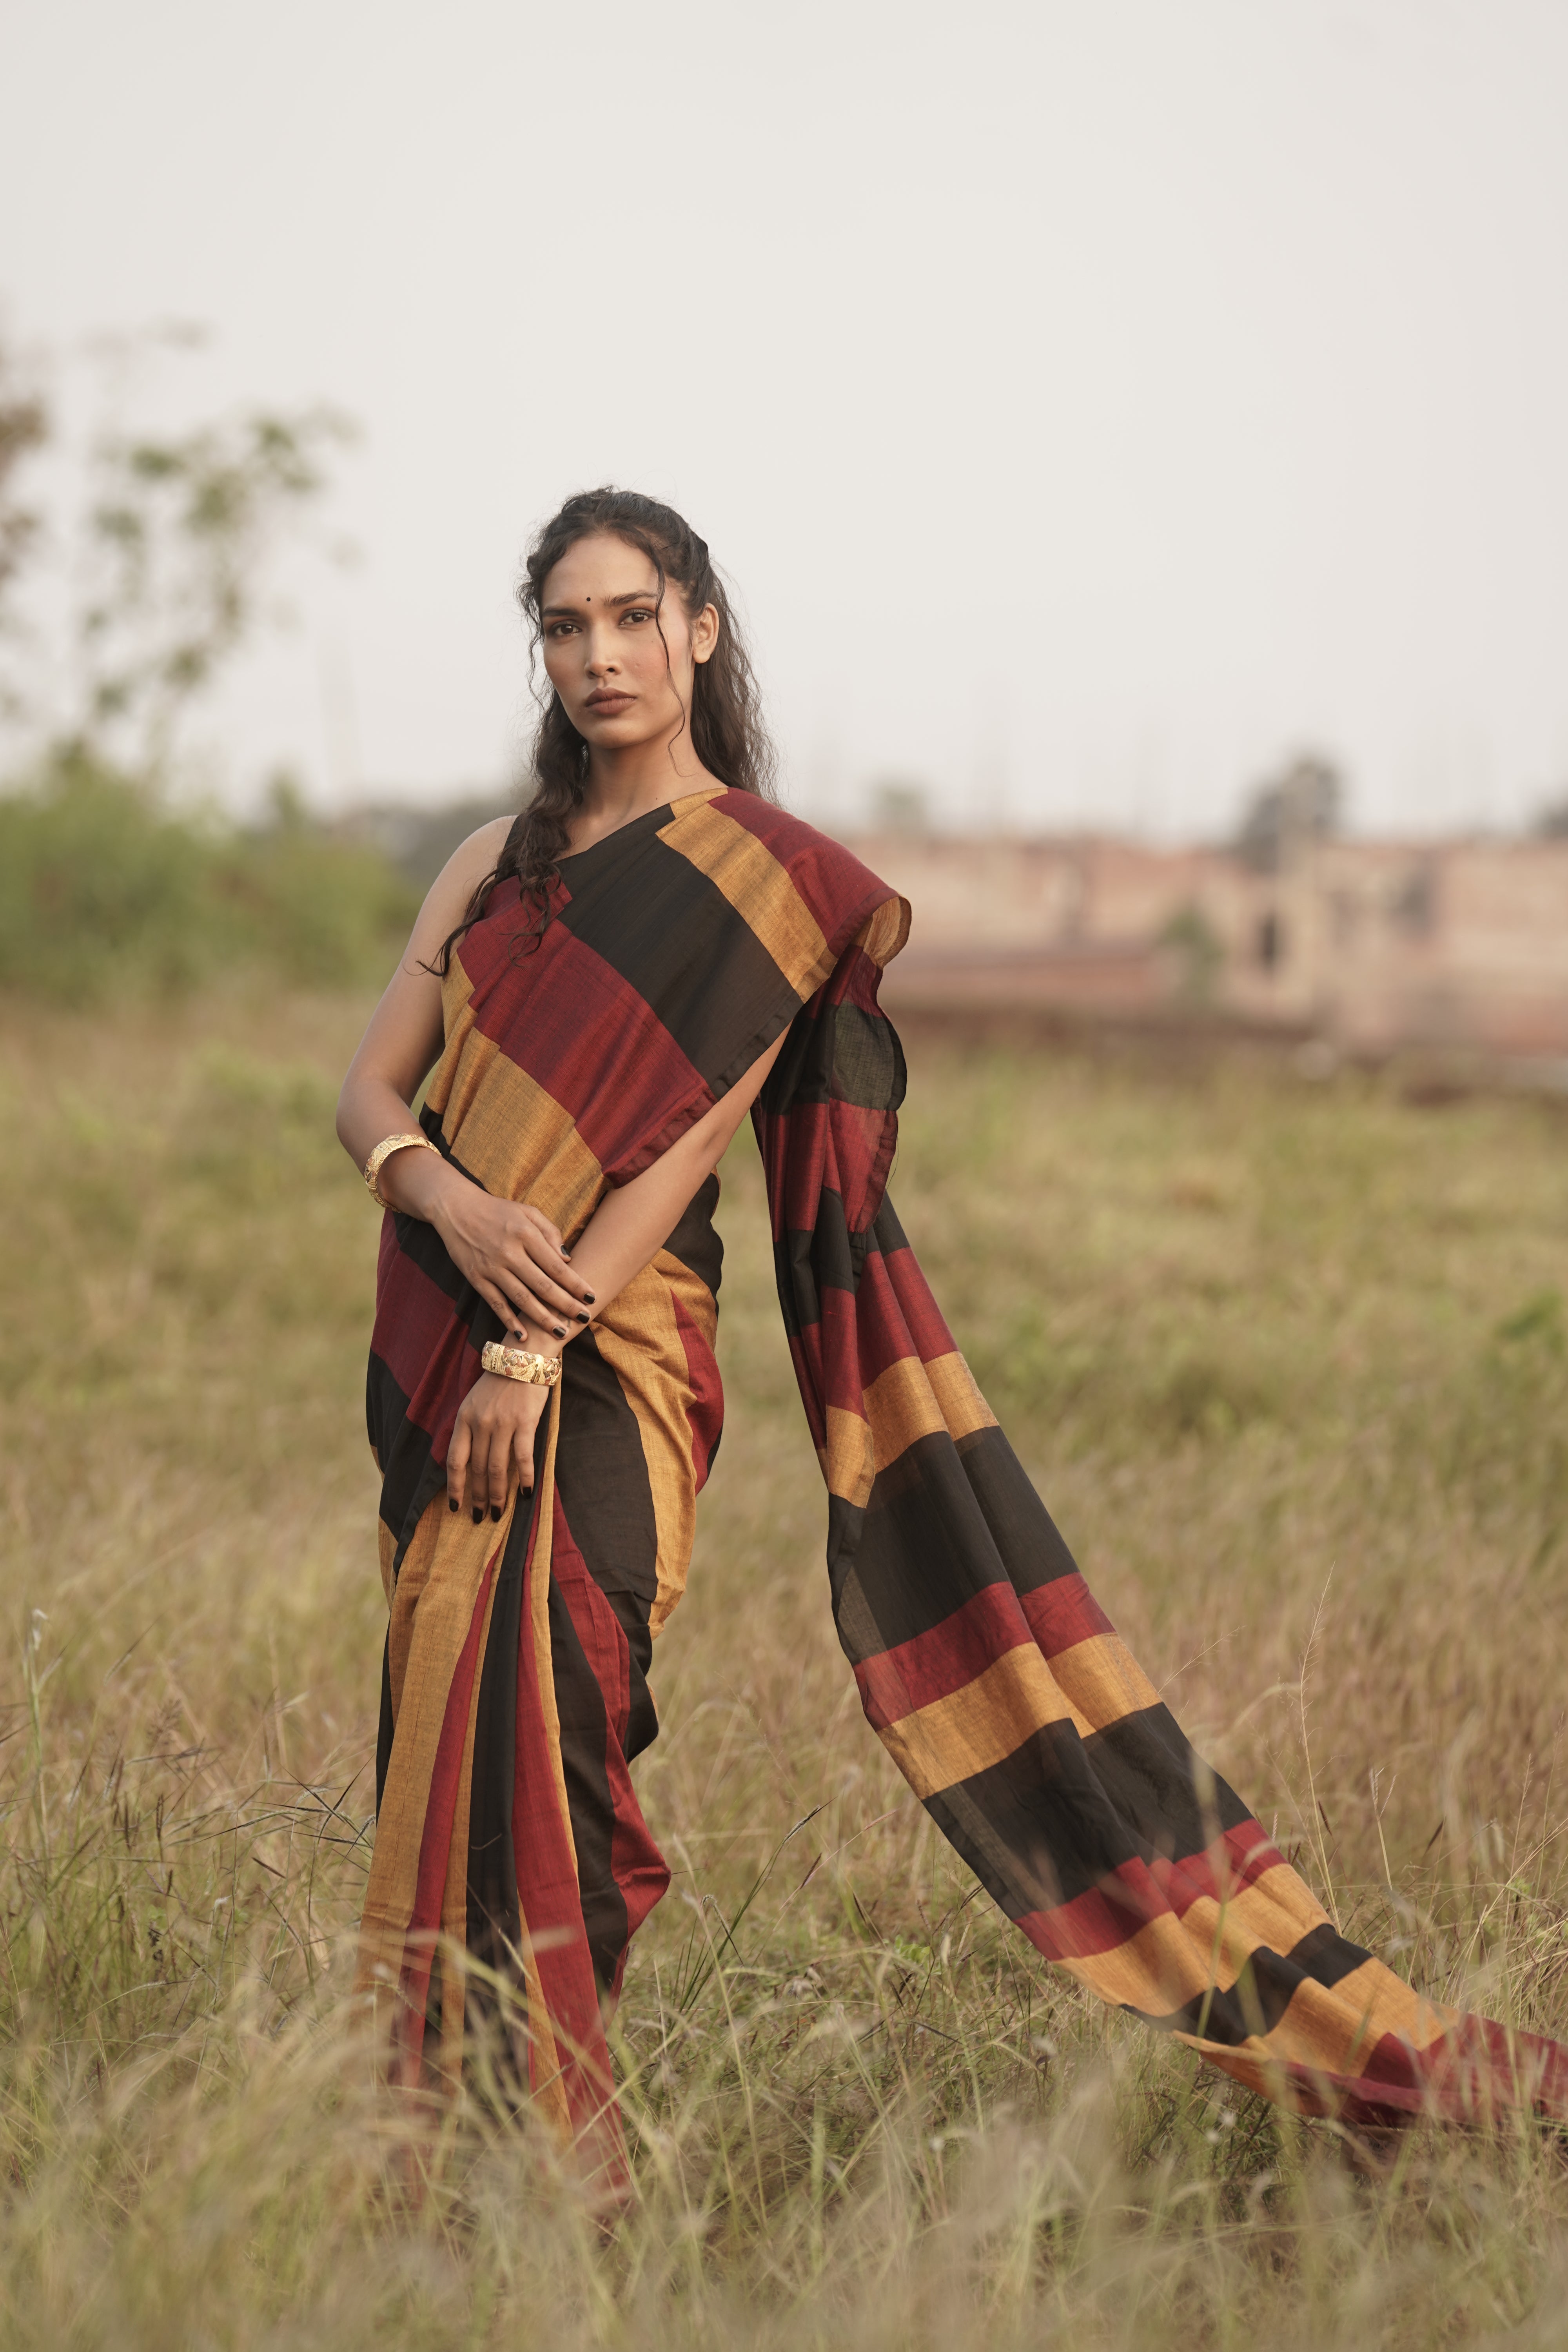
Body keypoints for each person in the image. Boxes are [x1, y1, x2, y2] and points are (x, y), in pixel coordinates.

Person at [338, 488, 1568, 2198]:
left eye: (633, 616)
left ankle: (551, 2152)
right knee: (439, 1734)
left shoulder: (769, 884)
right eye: (565, 624)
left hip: (603, 1366)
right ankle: (440, 2160)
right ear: (539, 649)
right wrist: (446, 1203)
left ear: (699, 625)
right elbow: (366, 1089)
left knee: (563, 1726)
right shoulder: (493, 860)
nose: (600, 654)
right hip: (429, 1344)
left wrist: (527, 1357)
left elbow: (678, 1151)